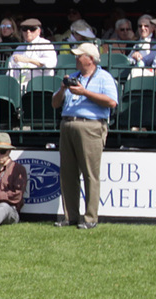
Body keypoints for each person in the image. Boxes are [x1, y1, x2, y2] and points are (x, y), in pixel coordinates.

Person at [52, 41, 118, 228]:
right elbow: (55, 103)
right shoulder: (73, 76)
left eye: (79, 55)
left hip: (91, 126)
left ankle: (90, 218)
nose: (75, 58)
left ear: (90, 59)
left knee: (90, 174)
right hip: (67, 124)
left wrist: (84, 92)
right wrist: (63, 88)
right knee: (68, 173)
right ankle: (70, 216)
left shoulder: (104, 78)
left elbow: (112, 102)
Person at [7, 17, 56, 82]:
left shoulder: (46, 44)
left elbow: (50, 65)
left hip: (41, 84)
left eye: (32, 29)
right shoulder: (19, 48)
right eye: (25, 29)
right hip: (20, 85)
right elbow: (11, 68)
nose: (28, 32)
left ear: (39, 31)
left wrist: (28, 60)